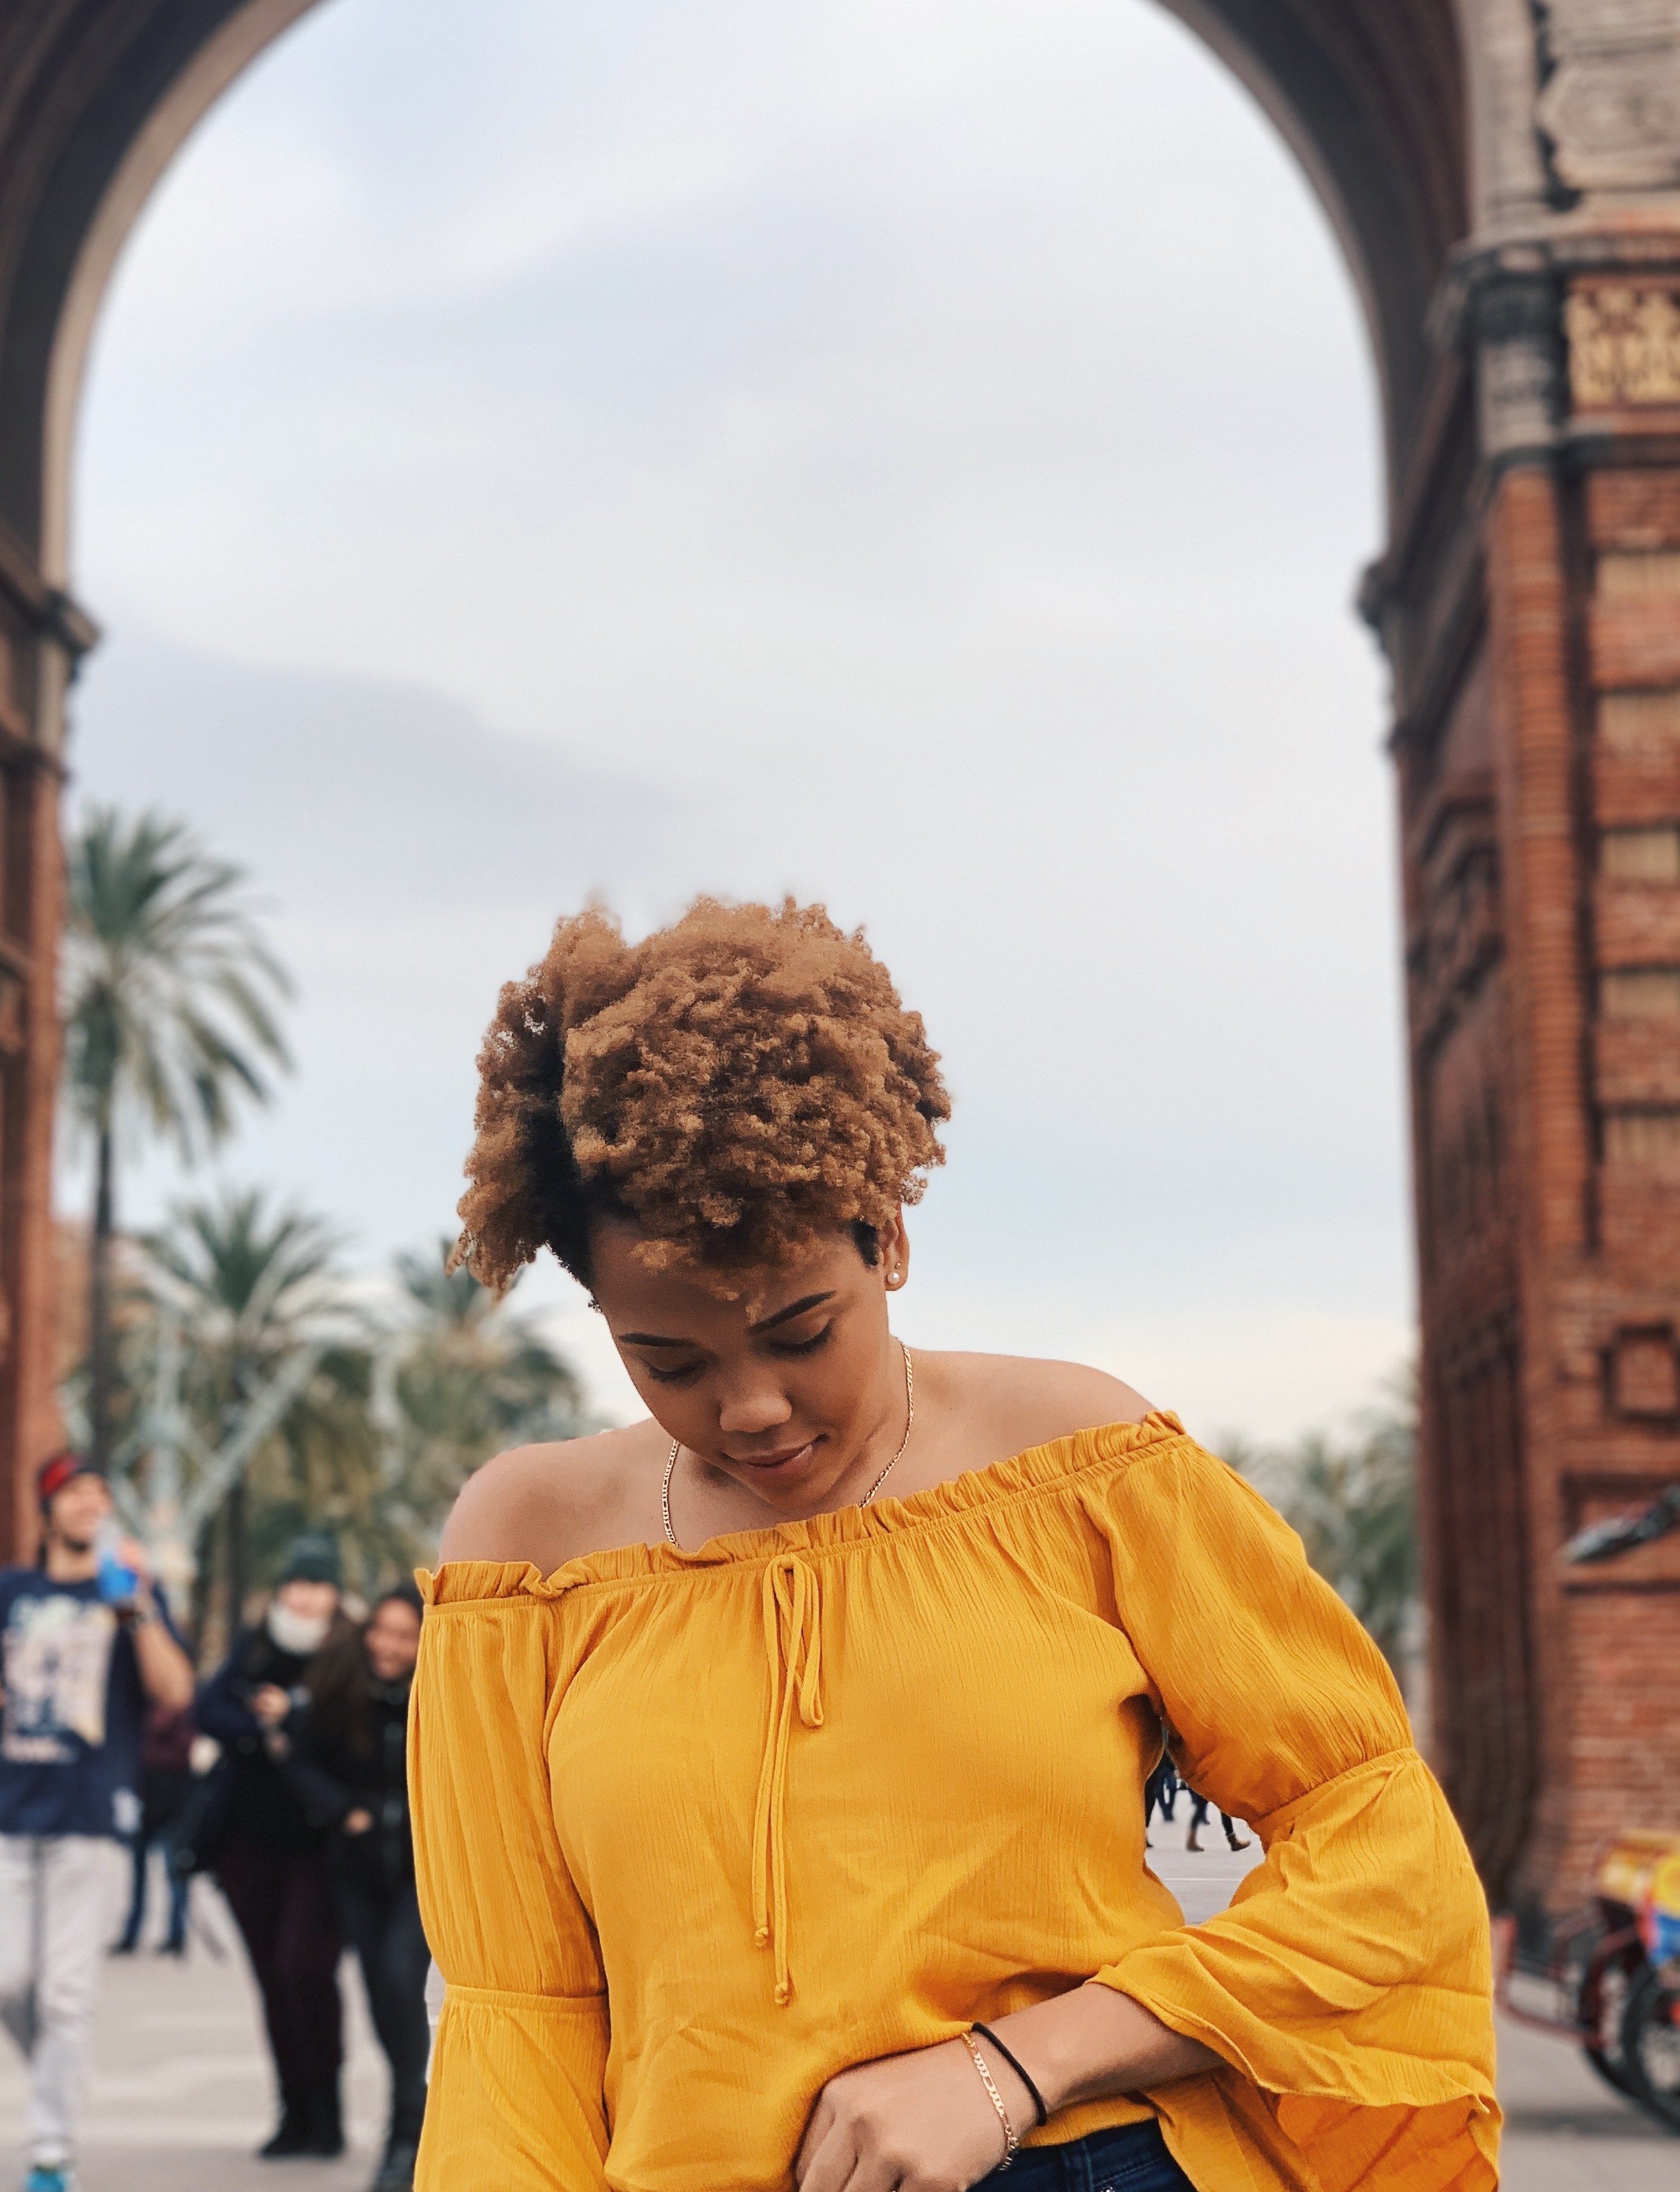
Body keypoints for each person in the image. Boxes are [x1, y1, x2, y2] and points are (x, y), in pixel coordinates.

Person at [410, 898, 1501, 2192]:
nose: (750, 1405)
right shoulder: (526, 1554)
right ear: (598, 1312)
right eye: (670, 1360)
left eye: (802, 1328)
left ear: (891, 1238)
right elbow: (516, 2017)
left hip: (1079, 2164)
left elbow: (1377, 1840)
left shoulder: (1083, 1464)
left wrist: (1016, 2065)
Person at [0, 1451, 195, 2192]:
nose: (90, 1505)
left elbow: (174, 1691)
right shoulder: (9, 1592)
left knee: (64, 1994)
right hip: (7, 1812)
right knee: (5, 1983)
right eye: (75, 1493)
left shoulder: (126, 1591)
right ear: (46, 1508)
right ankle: (60, 2076)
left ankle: (50, 2151)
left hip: (92, 1814)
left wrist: (139, 1607)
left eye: (100, 1494)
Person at [194, 1533, 355, 2158]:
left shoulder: (347, 1653)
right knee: (270, 1978)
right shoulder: (256, 1642)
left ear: (334, 1592)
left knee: (304, 1968)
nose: (305, 1597)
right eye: (297, 1583)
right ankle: (293, 2110)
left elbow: (348, 1730)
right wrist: (263, 1730)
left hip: (316, 1843)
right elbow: (207, 1710)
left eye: (317, 1584)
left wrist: (291, 1714)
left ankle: (328, 2109)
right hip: (247, 1839)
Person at [293, 1586, 429, 2191]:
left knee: (403, 1981)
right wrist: (342, 1809)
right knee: (381, 2000)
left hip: (416, 1876)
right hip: (357, 1873)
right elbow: (300, 1761)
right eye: (383, 1630)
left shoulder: (437, 1696)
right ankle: (410, 2114)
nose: (389, 1645)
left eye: (405, 1635)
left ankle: (407, 2133)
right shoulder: (342, 1690)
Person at [112, 1700, 195, 1955]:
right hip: (145, 1800)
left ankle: (176, 1934)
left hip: (174, 1802)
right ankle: (132, 1932)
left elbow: (184, 1750)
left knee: (175, 1871)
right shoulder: (142, 1707)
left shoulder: (185, 1709)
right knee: (138, 1873)